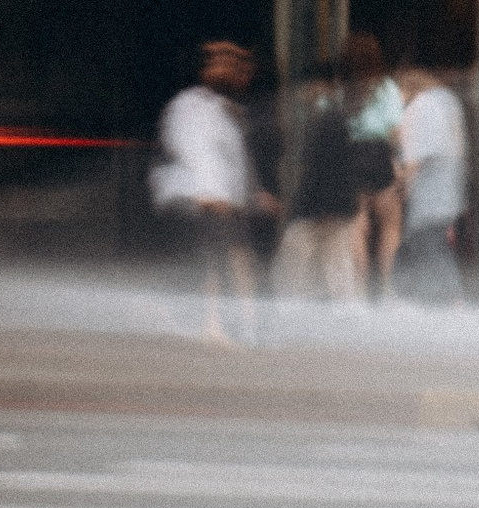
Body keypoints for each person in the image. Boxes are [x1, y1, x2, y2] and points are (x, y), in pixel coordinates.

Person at [150, 39, 260, 343]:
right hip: (200, 197)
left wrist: (248, 195)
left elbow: (234, 160)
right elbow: (195, 153)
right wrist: (211, 196)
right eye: (219, 61)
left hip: (221, 199)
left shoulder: (225, 108)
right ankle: (213, 325)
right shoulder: (190, 105)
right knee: (216, 260)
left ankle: (239, 324)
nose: (228, 67)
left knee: (237, 257)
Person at [272, 65, 365, 305]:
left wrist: (320, 204)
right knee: (337, 260)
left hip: (321, 205)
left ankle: (291, 308)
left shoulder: (327, 117)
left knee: (295, 257)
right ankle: (347, 310)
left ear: (317, 85)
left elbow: (326, 168)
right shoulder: (336, 115)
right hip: (335, 204)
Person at [395, 62, 470, 305]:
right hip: (448, 192)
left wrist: (404, 183)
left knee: (430, 249)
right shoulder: (447, 102)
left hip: (429, 194)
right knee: (437, 247)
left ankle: (448, 301)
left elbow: (416, 157)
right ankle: (445, 300)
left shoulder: (423, 106)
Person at [341, 28, 405, 299]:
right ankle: (388, 291)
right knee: (391, 225)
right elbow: (396, 131)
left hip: (350, 157)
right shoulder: (386, 87)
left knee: (358, 226)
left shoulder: (341, 91)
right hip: (378, 155)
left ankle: (359, 294)